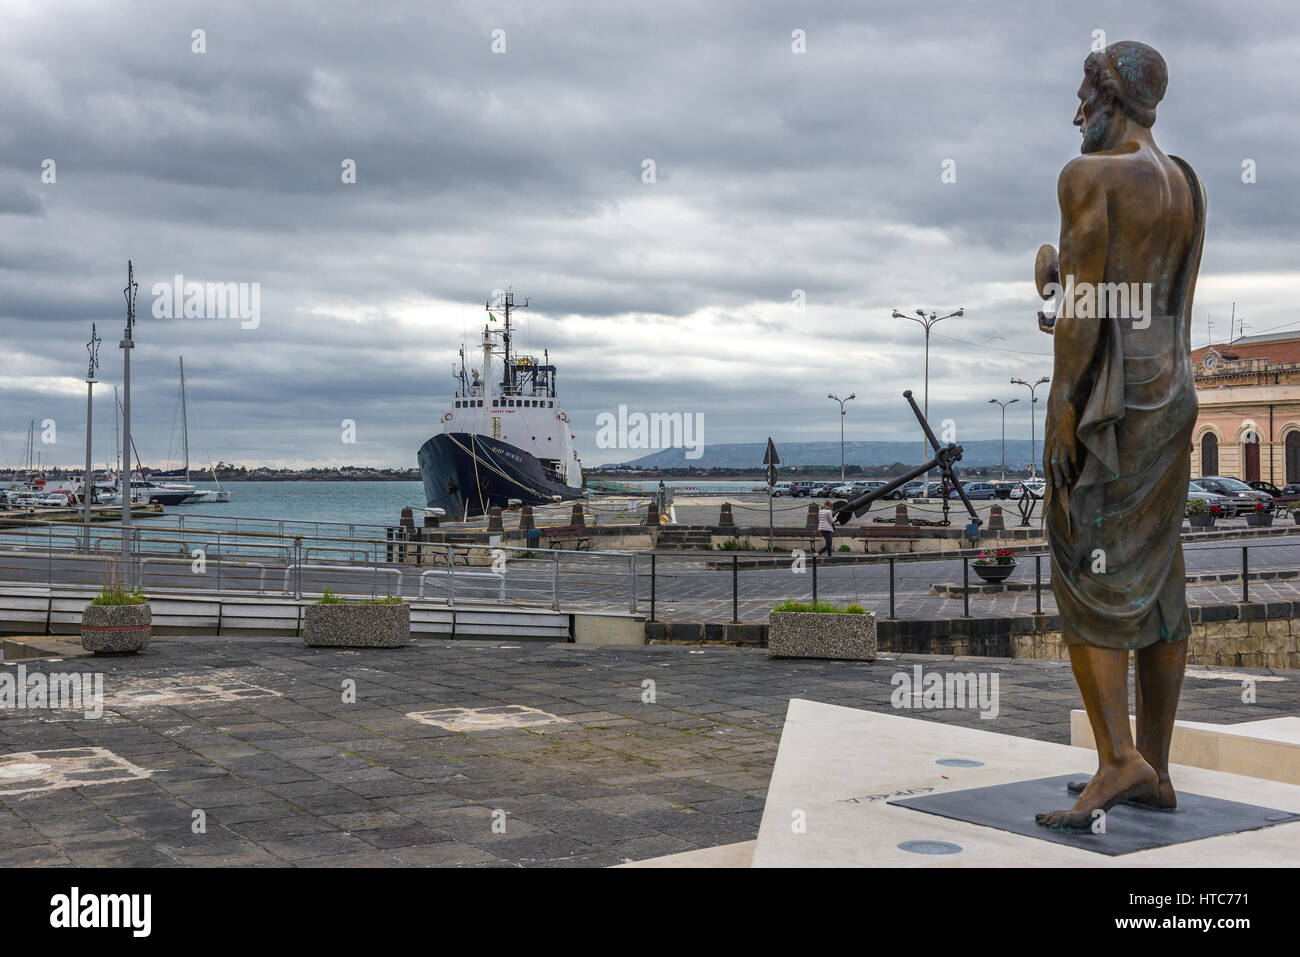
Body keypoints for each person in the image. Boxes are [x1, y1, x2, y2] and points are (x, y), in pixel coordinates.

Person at [1034, 41, 1205, 830]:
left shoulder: (1089, 177)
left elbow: (1082, 311)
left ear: (1114, 99)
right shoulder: (1186, 184)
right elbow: (1154, 292)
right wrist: (1058, 267)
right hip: (1172, 392)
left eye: (1083, 95)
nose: (1075, 112)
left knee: (1086, 564)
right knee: (1160, 582)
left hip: (1113, 401)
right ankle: (1158, 770)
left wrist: (1064, 411)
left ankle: (1115, 759)